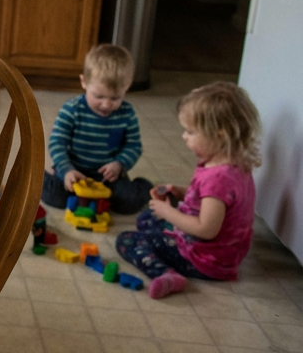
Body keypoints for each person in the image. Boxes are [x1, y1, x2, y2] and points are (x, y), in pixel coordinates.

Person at [116, 82, 261, 300]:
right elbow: (215, 202)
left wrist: (169, 213)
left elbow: (206, 229)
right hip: (223, 251)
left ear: (219, 135)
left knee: (128, 239)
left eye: (191, 132)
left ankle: (166, 274)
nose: (184, 137)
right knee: (147, 218)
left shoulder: (219, 179)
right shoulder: (233, 164)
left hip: (205, 258)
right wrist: (180, 192)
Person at [40, 43, 153, 214]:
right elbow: (57, 143)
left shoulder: (127, 114)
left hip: (108, 177)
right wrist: (66, 170)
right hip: (75, 170)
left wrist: (119, 164)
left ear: (126, 87)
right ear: (84, 82)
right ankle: (42, 177)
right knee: (53, 196)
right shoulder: (71, 109)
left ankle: (144, 187)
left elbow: (134, 145)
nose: (106, 104)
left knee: (129, 202)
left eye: (115, 97)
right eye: (98, 96)